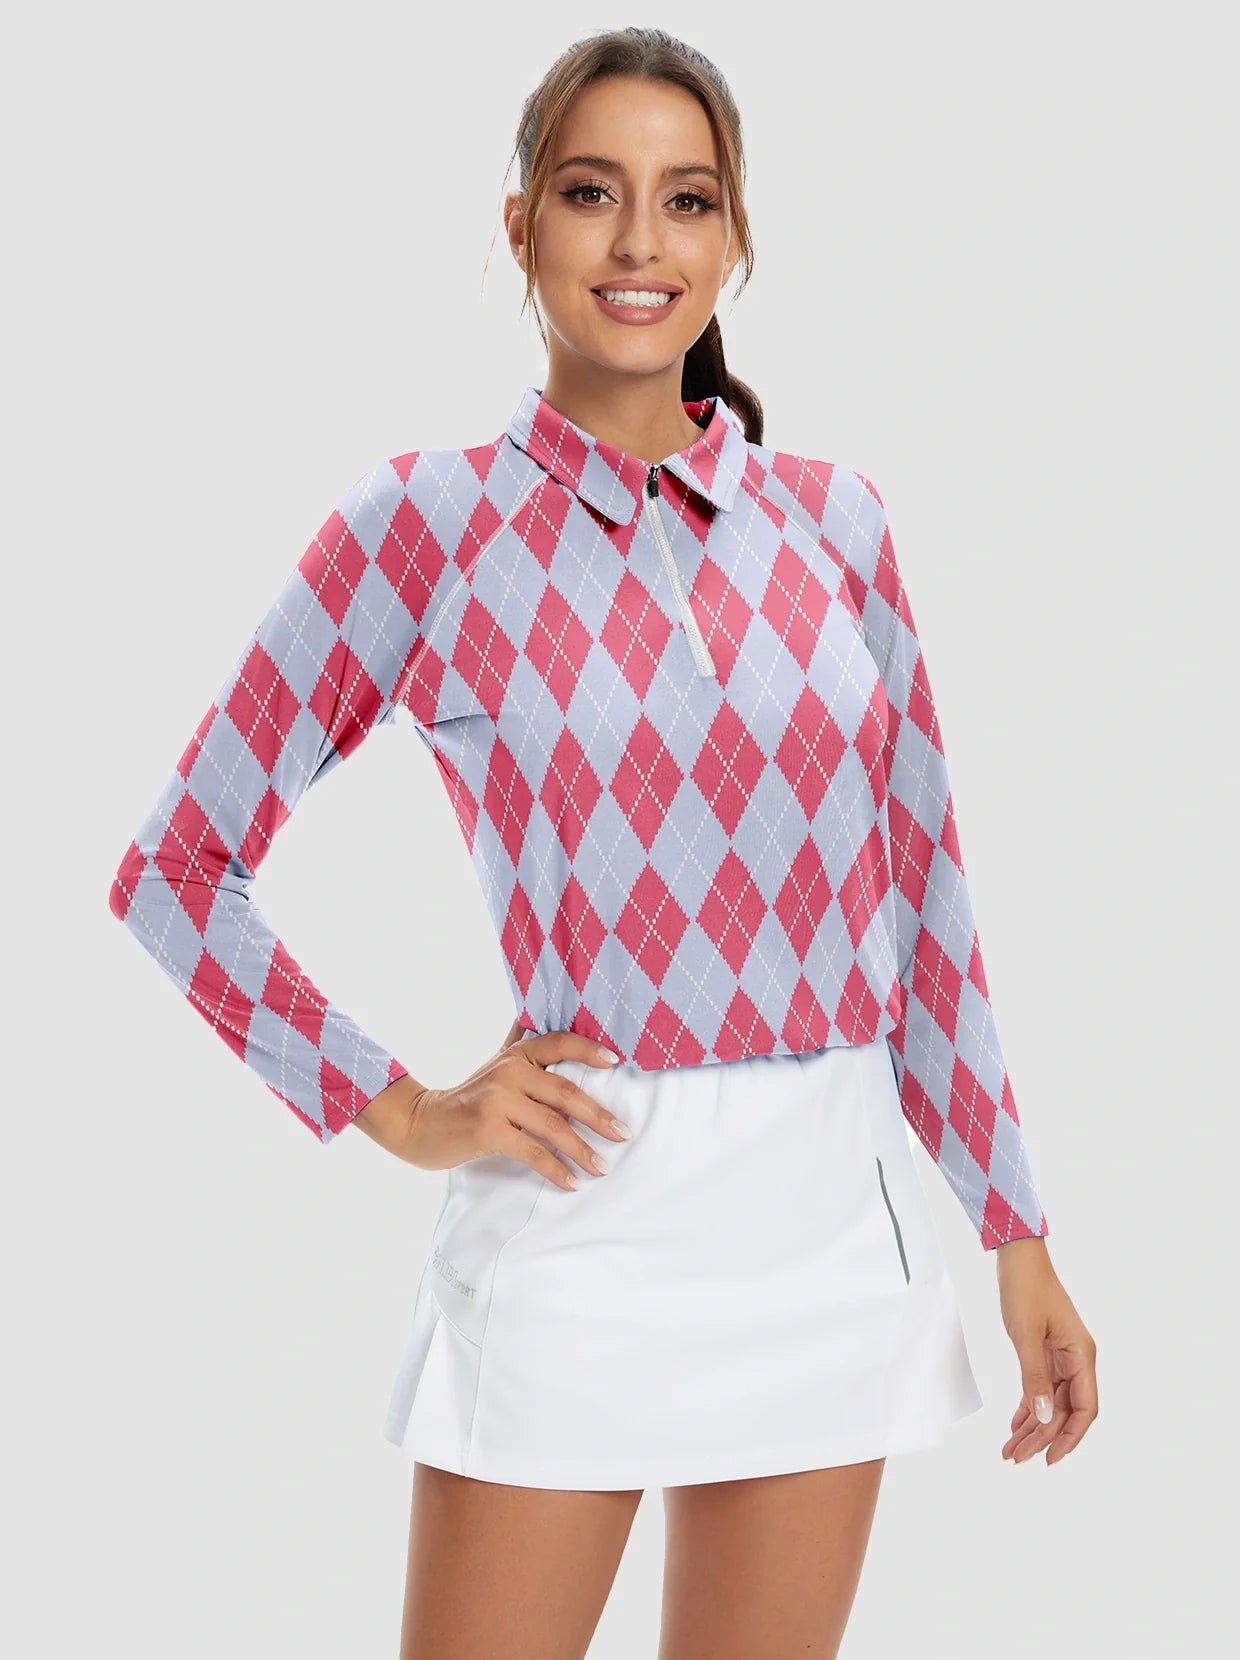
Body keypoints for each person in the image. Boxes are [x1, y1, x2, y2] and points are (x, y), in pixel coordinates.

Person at [107, 25, 1099, 1660]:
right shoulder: (424, 525)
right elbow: (175, 871)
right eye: (592, 192)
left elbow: (925, 901)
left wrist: (1017, 1232)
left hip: (829, 1233)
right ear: (521, 226)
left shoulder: (837, 525)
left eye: (687, 199)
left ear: (735, 236)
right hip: (580, 1222)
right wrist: (400, 1108)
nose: (642, 242)